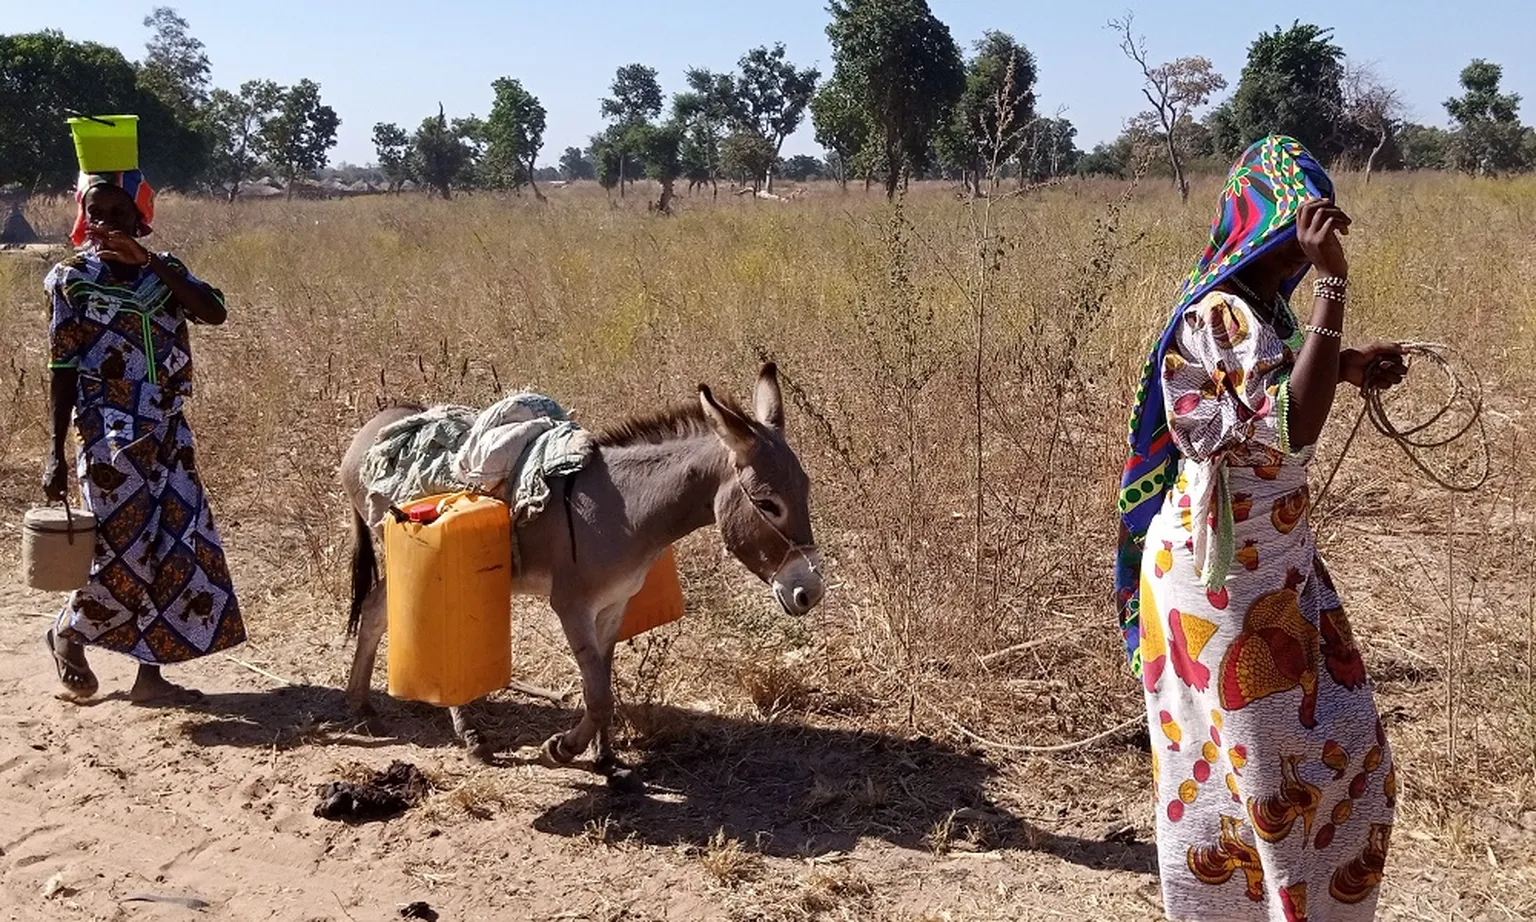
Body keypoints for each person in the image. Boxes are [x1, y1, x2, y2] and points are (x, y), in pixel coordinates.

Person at [1115, 136, 1406, 921]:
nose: (1301, 255)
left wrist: (1344, 362)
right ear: (1256, 227)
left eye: (1308, 241)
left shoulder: (1254, 303)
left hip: (1273, 563)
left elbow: (1261, 390)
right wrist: (1336, 292)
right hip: (1220, 578)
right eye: (1290, 234)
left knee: (1351, 766)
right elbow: (1290, 427)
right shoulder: (1216, 309)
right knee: (1262, 789)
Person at [42, 169, 245, 704]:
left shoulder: (166, 274)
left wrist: (152, 264)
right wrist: (54, 455)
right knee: (121, 546)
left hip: (169, 427)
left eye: (117, 212)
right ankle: (67, 632)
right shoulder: (72, 280)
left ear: (140, 220)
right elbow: (62, 367)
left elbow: (214, 312)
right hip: (108, 431)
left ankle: (150, 673)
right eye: (96, 211)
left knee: (176, 544)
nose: (105, 222)